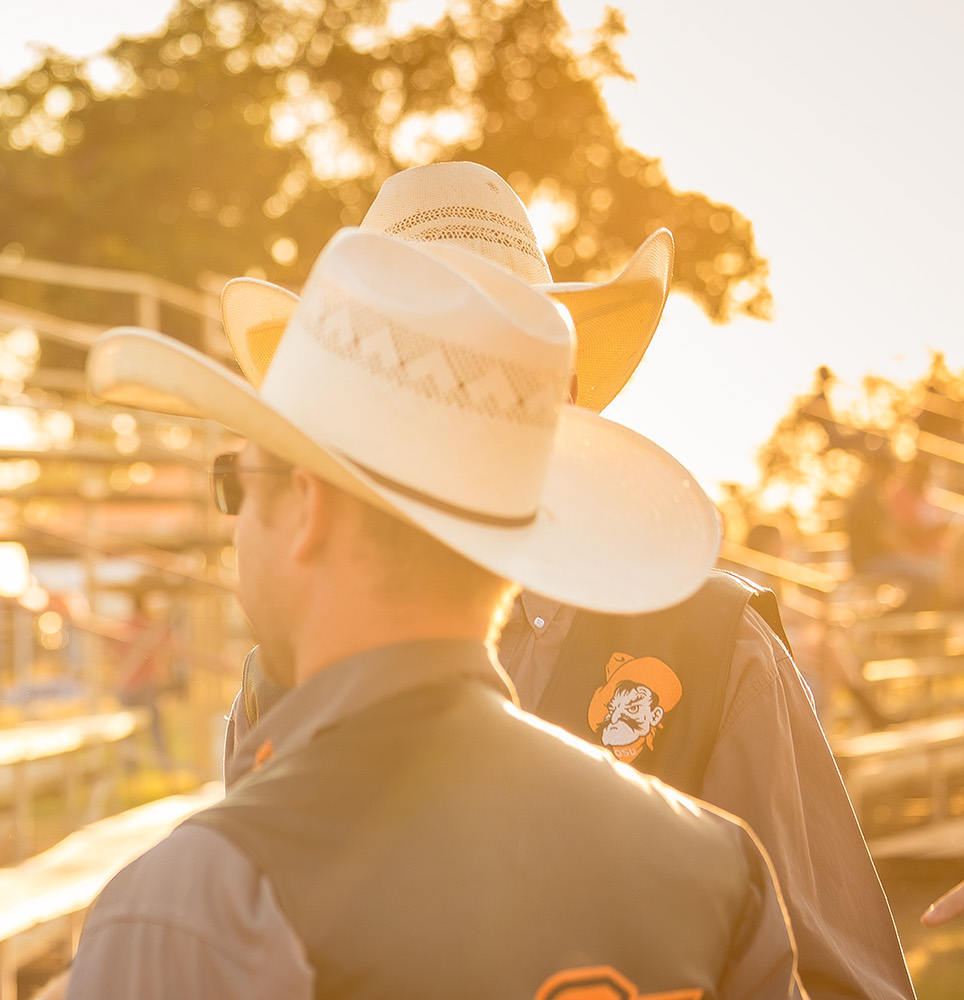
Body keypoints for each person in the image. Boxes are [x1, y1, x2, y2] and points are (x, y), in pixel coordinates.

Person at [216, 162, 911, 1000]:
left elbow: (838, 980)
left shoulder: (718, 652)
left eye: (482, 383)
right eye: (408, 384)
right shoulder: (273, 689)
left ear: (566, 397)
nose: (446, 425)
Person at [70, 228, 800, 998]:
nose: (235, 520)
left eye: (240, 482)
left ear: (307, 504)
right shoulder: (715, 872)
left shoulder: (191, 910)